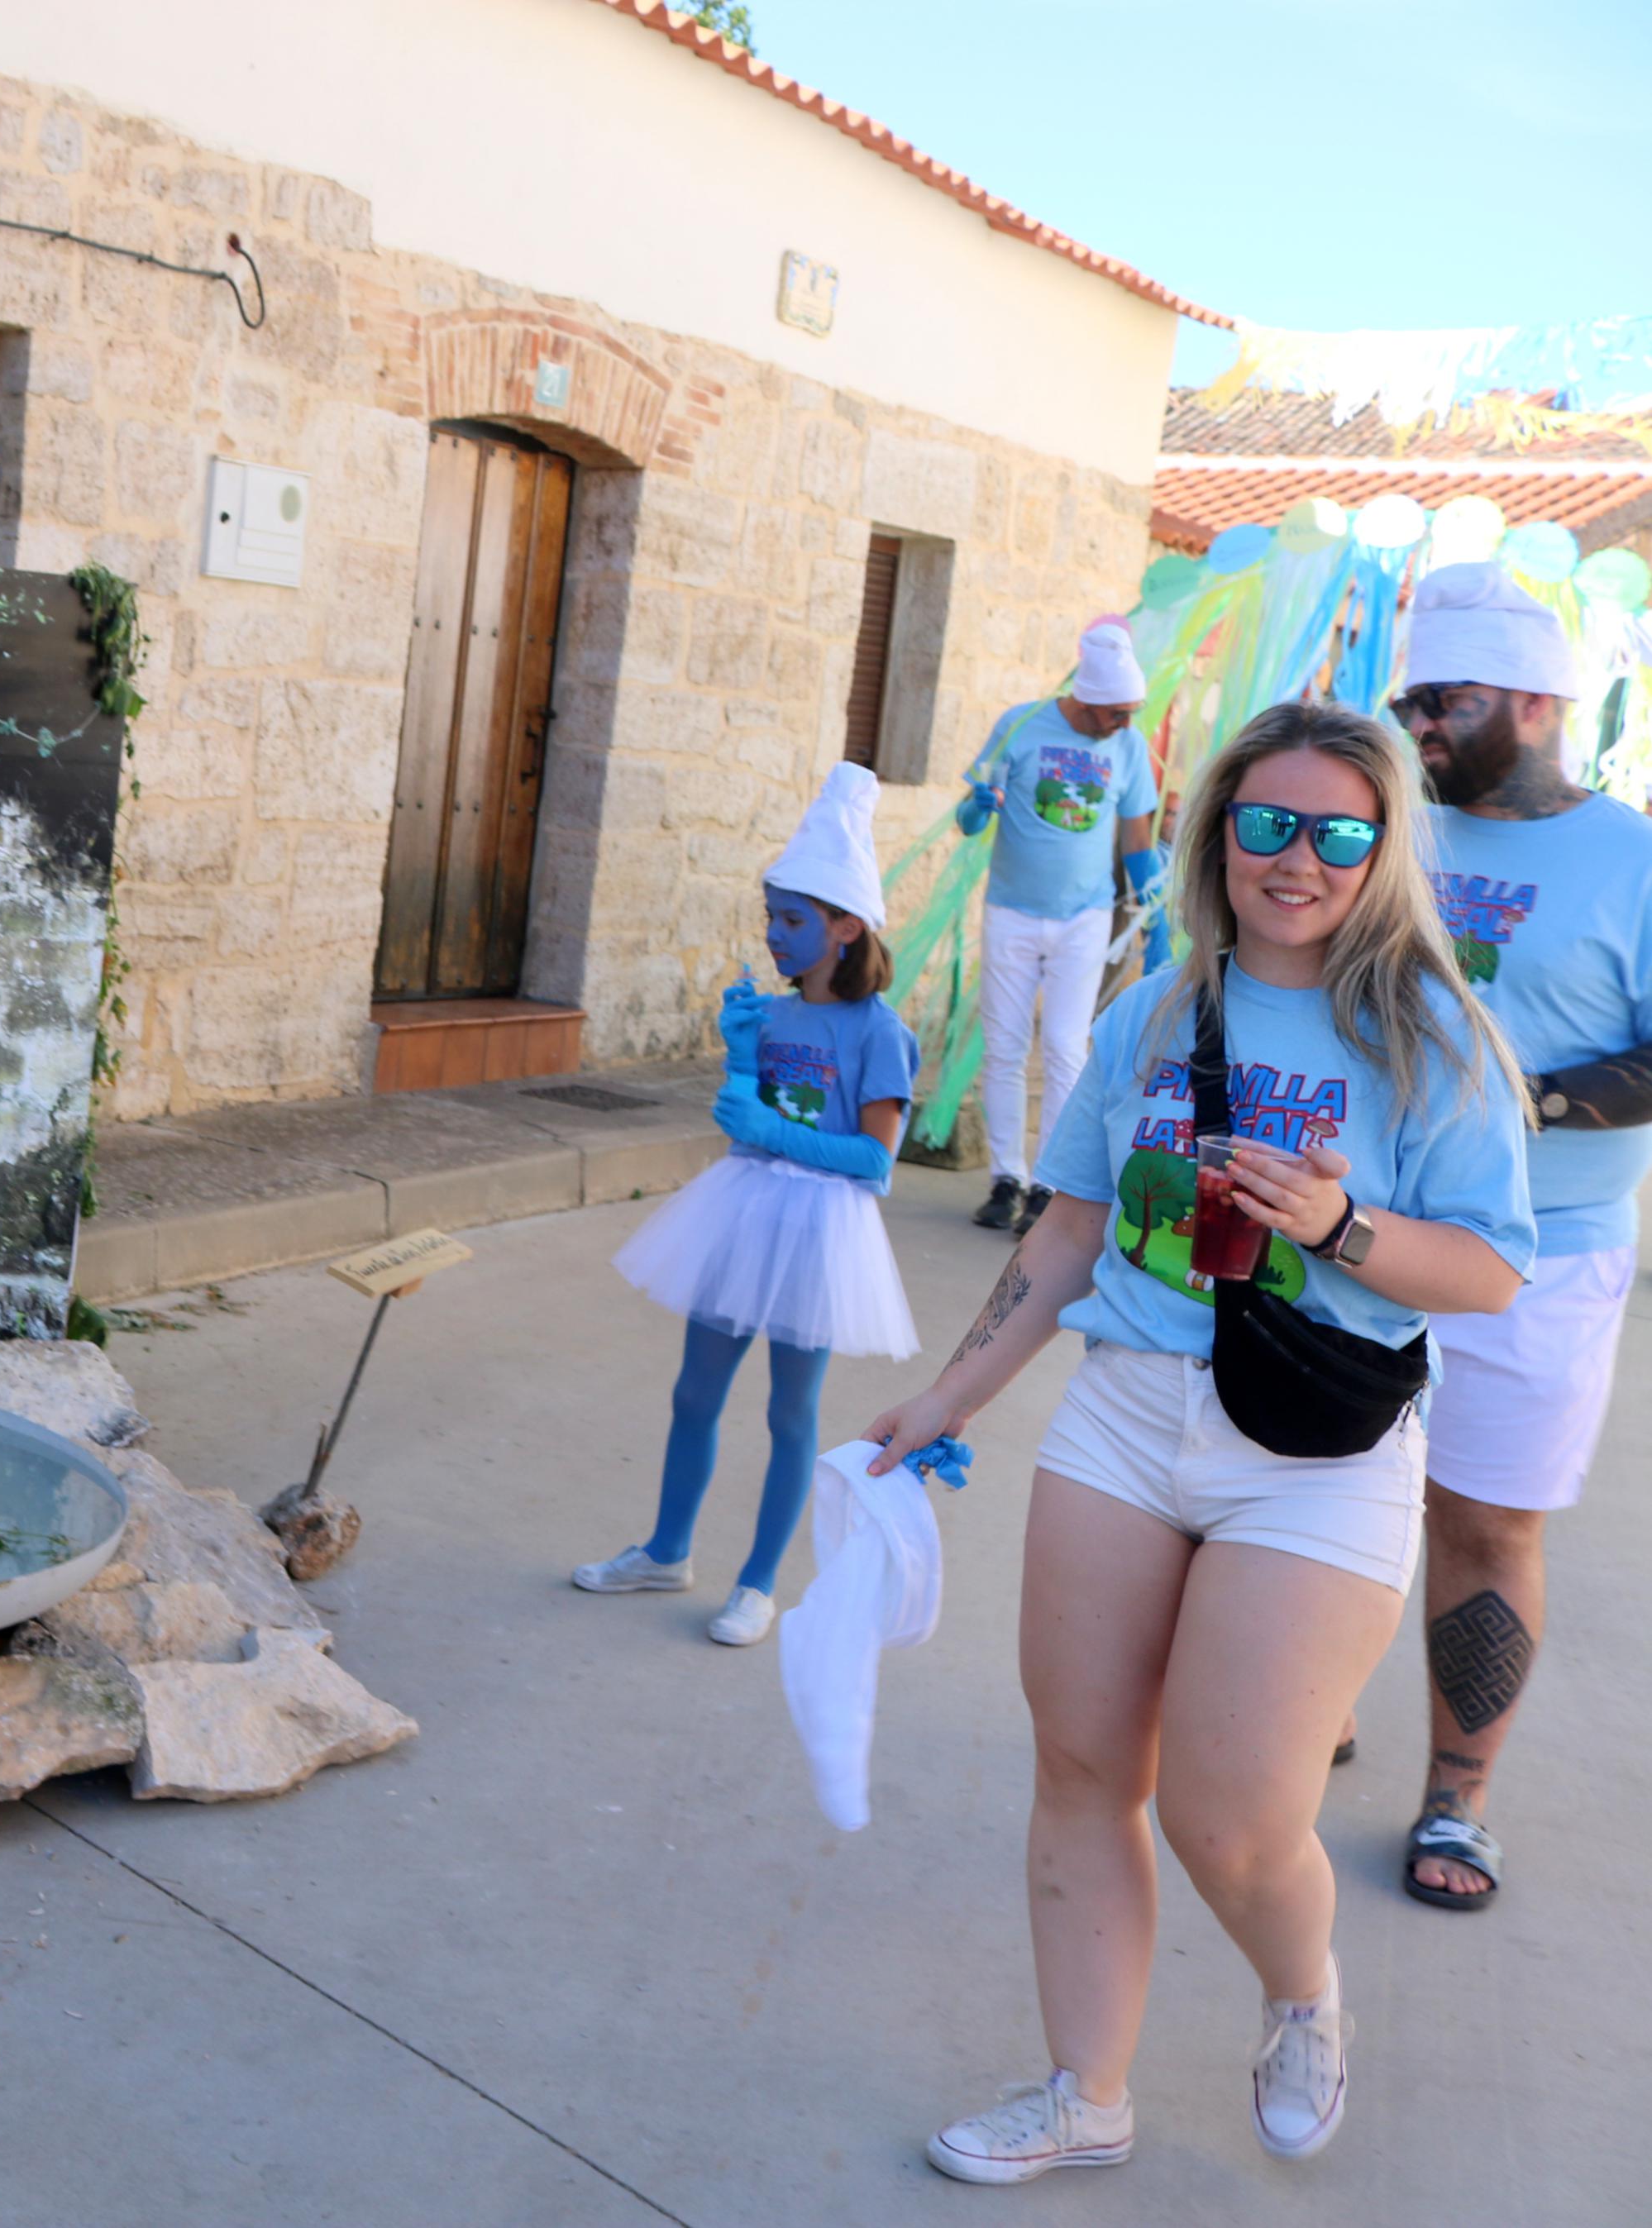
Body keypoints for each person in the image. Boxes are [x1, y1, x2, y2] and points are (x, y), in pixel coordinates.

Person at [863, 700, 1532, 2182]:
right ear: (1215, 832)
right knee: (1082, 1771)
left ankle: (1301, 1996)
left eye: (1336, 833)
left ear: (1381, 852)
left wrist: (1339, 1226)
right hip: (1123, 1413)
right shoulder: (1157, 1008)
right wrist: (946, 1396)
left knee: (1232, 1819)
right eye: (1266, 824)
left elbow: (1488, 1270)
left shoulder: (1430, 1033)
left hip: (1315, 1441)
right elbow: (1074, 1222)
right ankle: (1080, 2096)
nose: (1296, 859)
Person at [1387, 561, 1652, 1911]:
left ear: (1538, 702)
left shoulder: (1632, 859)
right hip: (1354, 1227)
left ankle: (1457, 1796)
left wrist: (1518, 1102)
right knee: (1315, 1482)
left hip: (1544, 1251)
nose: (1417, 722)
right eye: (1409, 698)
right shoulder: (1382, 827)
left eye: (1446, 699)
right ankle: (1292, 1706)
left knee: (1483, 1526)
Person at [586, 764, 922, 1646]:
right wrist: (740, 1057)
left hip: (818, 1231)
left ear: (844, 927)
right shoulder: (771, 1015)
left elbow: (873, 1161)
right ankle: (664, 1549)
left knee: (788, 1412)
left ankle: (757, 1581)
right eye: (769, 916)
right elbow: (743, 1125)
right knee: (693, 1392)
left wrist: (768, 1129)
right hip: (741, 1215)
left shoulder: (879, 1033)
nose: (773, 935)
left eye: (792, 919)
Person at [957, 618, 1165, 1236]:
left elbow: (1135, 837)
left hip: (1084, 916)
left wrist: (1155, 905)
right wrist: (974, 809)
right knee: (1004, 1046)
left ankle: (1047, 1186)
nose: (1125, 724)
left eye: (1132, 711)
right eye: (1116, 713)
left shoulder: (1126, 749)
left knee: (1066, 1048)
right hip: (1012, 910)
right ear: (1088, 700)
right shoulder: (1020, 725)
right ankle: (1005, 1177)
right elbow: (970, 817)